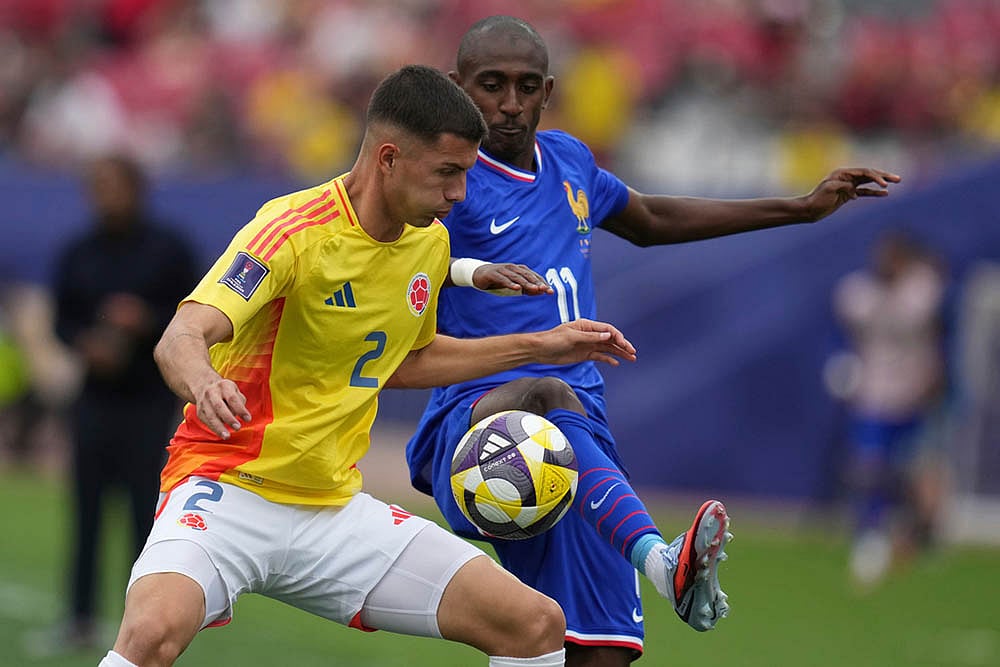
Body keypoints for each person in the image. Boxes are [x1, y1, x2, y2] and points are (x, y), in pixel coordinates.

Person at [98, 64, 637, 667]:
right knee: (149, 637)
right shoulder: (292, 232)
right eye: (448, 173)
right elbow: (182, 334)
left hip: (331, 510)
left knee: (533, 624)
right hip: (227, 488)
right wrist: (203, 378)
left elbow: (406, 358)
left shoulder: (428, 242)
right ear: (388, 158)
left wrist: (541, 344)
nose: (460, 193)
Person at [404, 15, 902, 666]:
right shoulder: (447, 182)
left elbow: (650, 218)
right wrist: (466, 269)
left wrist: (798, 208)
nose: (509, 103)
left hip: (583, 449)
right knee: (549, 393)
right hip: (481, 425)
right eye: (491, 85)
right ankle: (660, 558)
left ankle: (654, 562)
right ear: (456, 87)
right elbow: (392, 249)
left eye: (526, 86)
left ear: (548, 91)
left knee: (593, 649)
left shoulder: (571, 163)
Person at [43, 154, 198, 652]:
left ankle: (142, 623)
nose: (106, 195)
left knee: (144, 516)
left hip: (148, 404)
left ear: (137, 189)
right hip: (94, 399)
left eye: (115, 185)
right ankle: (79, 619)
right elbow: (60, 320)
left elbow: (194, 312)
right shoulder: (78, 251)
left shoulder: (167, 249)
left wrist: (144, 321)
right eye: (99, 186)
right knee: (86, 512)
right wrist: (84, 343)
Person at [832, 230, 948, 588]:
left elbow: (931, 324)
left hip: (914, 394)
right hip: (874, 394)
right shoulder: (859, 293)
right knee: (869, 468)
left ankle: (920, 536)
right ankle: (871, 534)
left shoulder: (922, 290)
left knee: (917, 471)